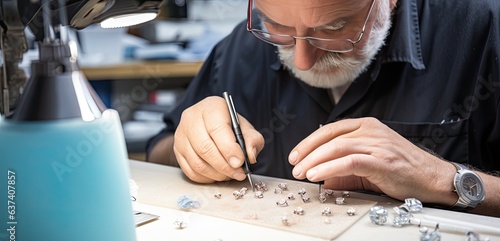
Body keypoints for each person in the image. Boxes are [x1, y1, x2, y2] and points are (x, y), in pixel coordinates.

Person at [147, 0, 500, 217]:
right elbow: (158, 151)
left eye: (334, 28)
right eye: (279, 26)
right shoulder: (240, 47)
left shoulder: (484, 30)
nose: (301, 60)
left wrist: (443, 180)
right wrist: (191, 144)